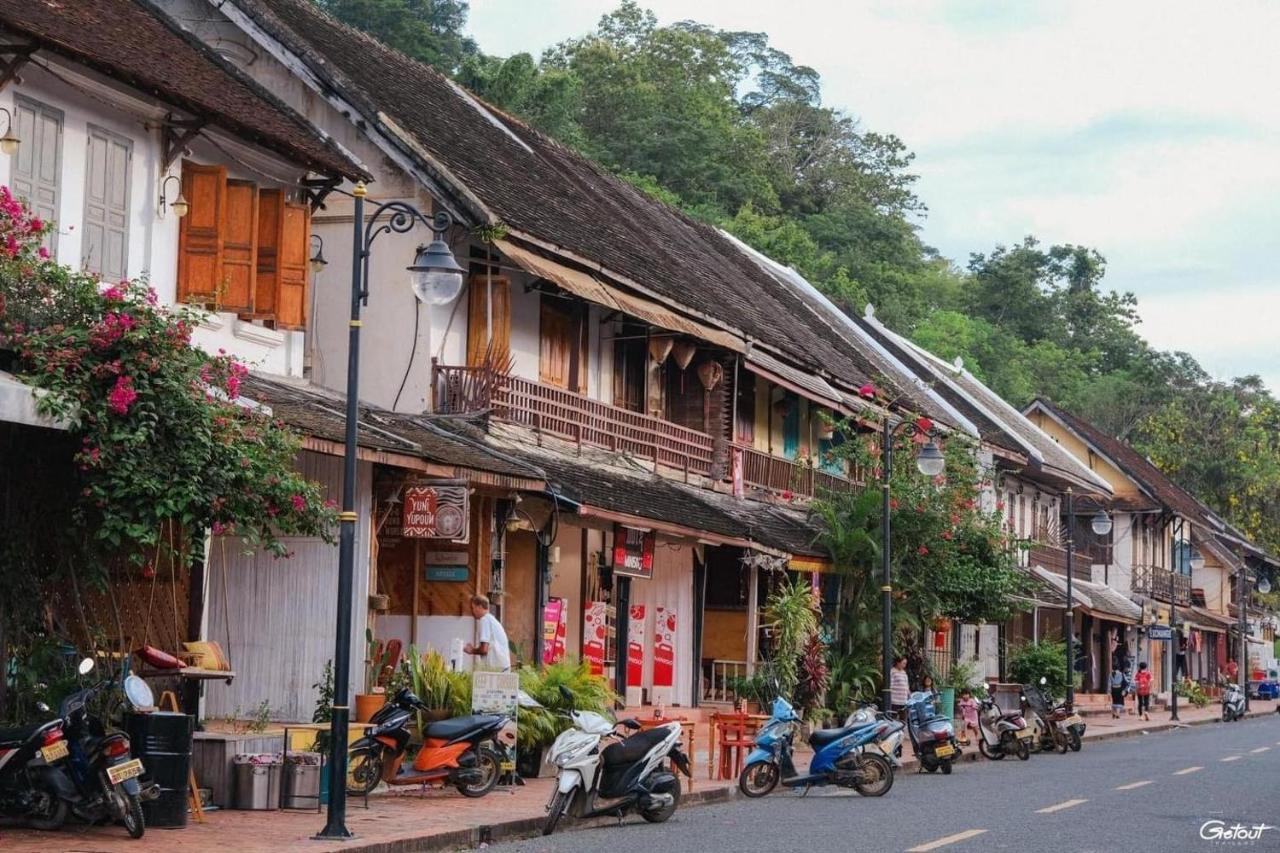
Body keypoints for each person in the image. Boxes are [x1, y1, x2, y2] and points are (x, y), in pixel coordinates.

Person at [463, 594, 511, 671]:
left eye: (473, 608)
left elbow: (484, 650)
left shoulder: (484, 620)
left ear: (480, 607)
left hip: (498, 669)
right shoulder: (490, 619)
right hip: (503, 667)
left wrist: (472, 650)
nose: (472, 611)